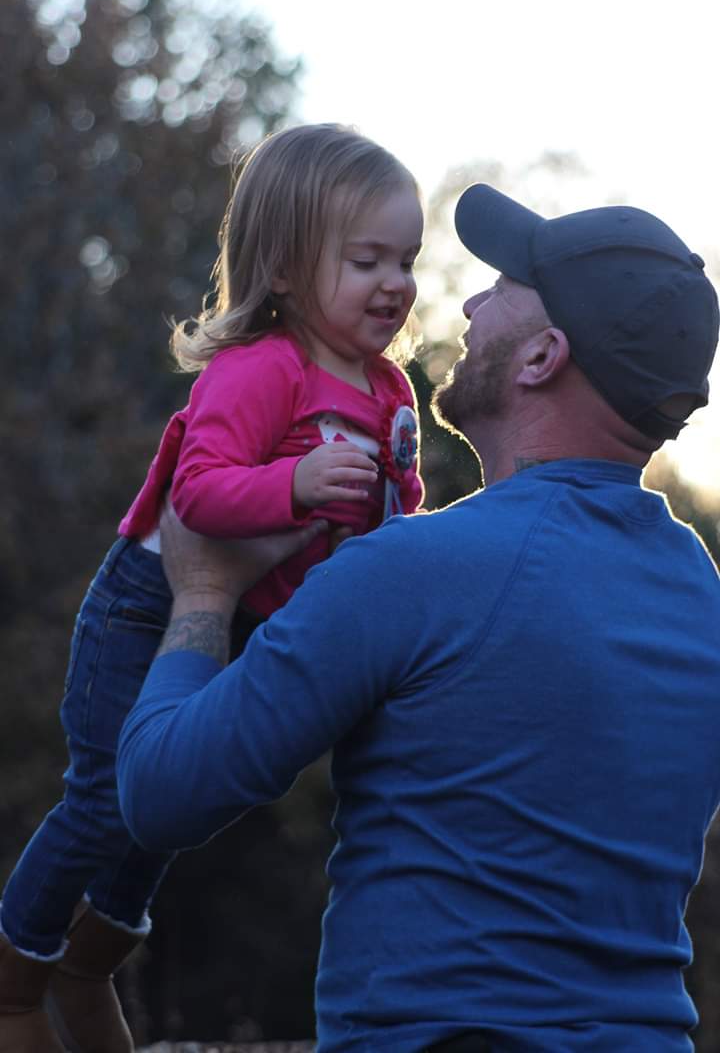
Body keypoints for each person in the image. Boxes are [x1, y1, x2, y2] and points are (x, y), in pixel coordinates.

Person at [116, 186, 720, 1052]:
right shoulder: (699, 592)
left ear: (542, 356)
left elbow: (160, 793)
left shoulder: (418, 570)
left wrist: (203, 592)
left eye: (504, 286)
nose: (470, 304)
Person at [0, 123, 424, 1053]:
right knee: (106, 795)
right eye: (366, 261)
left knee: (168, 806)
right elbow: (199, 491)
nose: (395, 283)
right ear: (284, 269)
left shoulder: (389, 390)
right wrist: (294, 486)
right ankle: (16, 978)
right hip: (150, 599)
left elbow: (395, 505)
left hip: (243, 619)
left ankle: (88, 967)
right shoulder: (262, 368)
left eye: (407, 261)